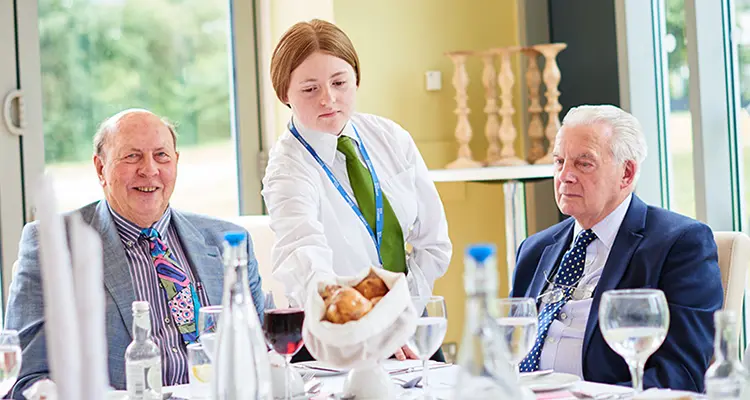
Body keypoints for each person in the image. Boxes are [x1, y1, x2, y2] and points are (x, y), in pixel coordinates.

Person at [5, 109, 265, 397]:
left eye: (162, 156)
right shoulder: (54, 244)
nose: (150, 170)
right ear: (101, 169)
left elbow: (264, 353)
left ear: (176, 162)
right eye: (132, 156)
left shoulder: (227, 242)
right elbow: (25, 379)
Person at [262, 19, 451, 361]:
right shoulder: (287, 169)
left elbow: (434, 243)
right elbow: (305, 256)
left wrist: (398, 319)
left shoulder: (390, 138)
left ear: (356, 80)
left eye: (339, 82)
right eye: (310, 89)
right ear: (283, 94)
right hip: (335, 339)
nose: (328, 99)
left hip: (407, 331)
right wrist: (364, 327)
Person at [511, 104, 722, 392]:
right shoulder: (534, 249)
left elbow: (680, 374)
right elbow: (505, 351)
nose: (565, 176)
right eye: (560, 161)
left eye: (583, 164)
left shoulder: (681, 244)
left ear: (626, 174)